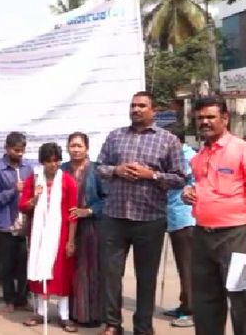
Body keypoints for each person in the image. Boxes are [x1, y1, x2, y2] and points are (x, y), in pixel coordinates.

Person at [96, 91, 186, 335]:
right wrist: (117, 170)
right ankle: (112, 324)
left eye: (142, 106)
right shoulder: (115, 137)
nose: (136, 109)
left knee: (147, 278)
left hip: (150, 219)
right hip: (115, 217)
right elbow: (99, 168)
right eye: (133, 105)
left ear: (153, 111)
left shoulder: (168, 140)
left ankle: (143, 327)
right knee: (111, 275)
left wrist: (152, 175)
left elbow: (180, 178)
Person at [182, 96, 246, 335]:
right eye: (200, 117)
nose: (205, 122)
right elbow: (202, 187)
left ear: (225, 118)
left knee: (244, 304)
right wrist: (189, 193)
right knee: (205, 303)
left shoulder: (245, 151)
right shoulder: (199, 156)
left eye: (211, 117)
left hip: (237, 236)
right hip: (202, 235)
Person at [20, 143, 79, 333]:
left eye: (56, 161)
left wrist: (71, 240)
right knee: (39, 270)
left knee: (62, 273)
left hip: (61, 234)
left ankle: (64, 315)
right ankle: (41, 312)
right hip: (38, 235)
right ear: (42, 162)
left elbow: (72, 213)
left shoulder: (68, 181)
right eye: (49, 161)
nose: (53, 165)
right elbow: (23, 207)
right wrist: (34, 198)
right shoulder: (34, 180)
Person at [61, 132, 105, 328]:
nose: (76, 149)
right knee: (70, 269)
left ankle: (93, 315)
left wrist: (87, 211)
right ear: (67, 148)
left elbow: (107, 198)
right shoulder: (62, 169)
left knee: (91, 269)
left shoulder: (96, 170)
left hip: (91, 227)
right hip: (67, 227)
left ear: (87, 148)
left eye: (79, 146)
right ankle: (71, 313)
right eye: (72, 146)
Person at [0, 132, 33, 313]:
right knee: (6, 265)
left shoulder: (28, 168)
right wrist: (13, 190)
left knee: (24, 264)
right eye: (16, 150)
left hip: (25, 223)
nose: (20, 154)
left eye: (22, 150)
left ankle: (23, 299)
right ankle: (9, 300)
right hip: (5, 224)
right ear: (6, 148)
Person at [162, 127, 197, 328]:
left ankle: (192, 310)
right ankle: (184, 304)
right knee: (181, 265)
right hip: (175, 216)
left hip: (186, 217)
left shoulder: (187, 157)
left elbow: (182, 180)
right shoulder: (175, 156)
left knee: (188, 266)